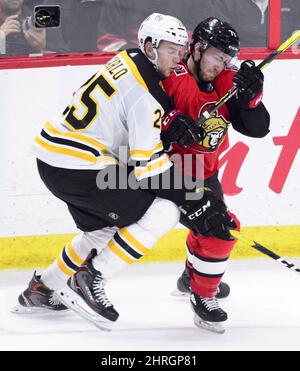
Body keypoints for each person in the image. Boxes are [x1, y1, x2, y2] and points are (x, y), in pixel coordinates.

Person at [12, 13, 237, 332]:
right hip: (80, 168)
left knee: (105, 229)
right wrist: (197, 198)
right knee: (164, 212)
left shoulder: (127, 59)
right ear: (149, 46)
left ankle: (43, 289)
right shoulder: (148, 94)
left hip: (55, 160)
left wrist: (169, 124)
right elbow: (150, 170)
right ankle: (91, 278)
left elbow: (124, 119)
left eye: (181, 49)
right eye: (171, 50)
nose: (179, 57)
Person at [162, 17, 270, 331]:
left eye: (227, 58)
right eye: (216, 55)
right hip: (161, 173)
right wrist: (169, 127)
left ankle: (192, 279)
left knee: (214, 228)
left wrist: (250, 101)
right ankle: (203, 294)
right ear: (196, 47)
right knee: (219, 229)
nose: (221, 64)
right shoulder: (169, 75)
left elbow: (258, 129)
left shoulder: (226, 81)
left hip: (205, 174)